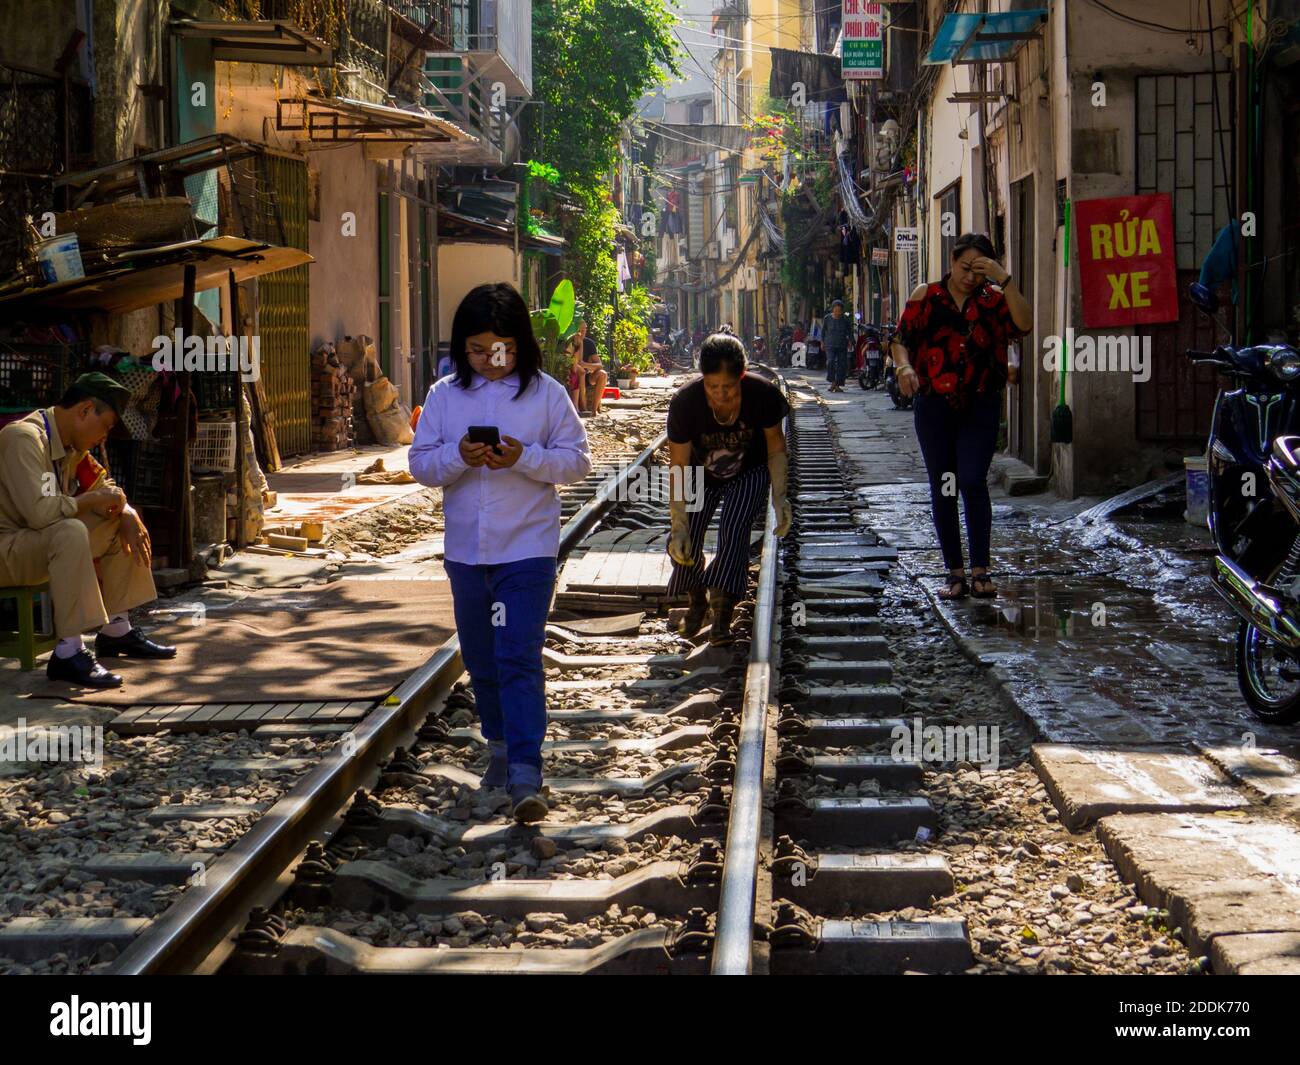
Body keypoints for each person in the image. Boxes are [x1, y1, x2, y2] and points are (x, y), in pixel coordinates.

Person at [410, 283, 592, 823]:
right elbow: (420, 466)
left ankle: (526, 770)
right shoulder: (444, 396)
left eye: (503, 351)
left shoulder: (546, 394)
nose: (491, 362)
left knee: (517, 656)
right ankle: (499, 747)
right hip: (467, 552)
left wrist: (525, 457)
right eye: (478, 350)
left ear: (521, 346)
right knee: (482, 660)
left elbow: (576, 461)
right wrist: (458, 456)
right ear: (461, 346)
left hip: (528, 549)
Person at [0, 373, 176, 688]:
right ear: (84, 411)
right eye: (106, 426)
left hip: (35, 544)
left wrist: (126, 512)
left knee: (117, 523)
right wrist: (92, 499)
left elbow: (106, 486)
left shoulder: (70, 445)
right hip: (7, 549)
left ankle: (116, 630)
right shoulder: (24, 438)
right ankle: (69, 651)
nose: (105, 437)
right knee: (69, 532)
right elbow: (40, 514)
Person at [892, 232, 1033, 600]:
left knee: (972, 480)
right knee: (945, 484)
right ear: (952, 262)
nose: (971, 276)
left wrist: (1005, 279)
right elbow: (900, 339)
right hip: (934, 406)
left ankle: (981, 570)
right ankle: (954, 573)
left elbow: (1025, 324)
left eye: (980, 270)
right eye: (965, 267)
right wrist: (904, 368)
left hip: (980, 404)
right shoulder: (927, 295)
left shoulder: (995, 300)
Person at [666, 333, 792, 645]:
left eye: (729, 387)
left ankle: (722, 615)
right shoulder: (685, 403)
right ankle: (696, 600)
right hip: (697, 473)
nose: (720, 395)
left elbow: (776, 446)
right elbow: (679, 464)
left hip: (748, 472)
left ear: (742, 376)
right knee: (684, 541)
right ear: (702, 379)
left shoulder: (762, 395)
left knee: (734, 531)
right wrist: (679, 525)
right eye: (712, 387)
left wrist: (779, 497)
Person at [573, 320, 608, 415]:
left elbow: (599, 365)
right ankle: (582, 407)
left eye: (585, 329)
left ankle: (593, 410)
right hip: (573, 375)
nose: (583, 332)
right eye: (581, 330)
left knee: (603, 374)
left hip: (586, 376)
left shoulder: (589, 343)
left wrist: (584, 364)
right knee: (580, 373)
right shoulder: (569, 342)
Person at [822, 299, 853, 391]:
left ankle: (837, 385)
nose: (837, 312)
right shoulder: (827, 318)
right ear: (833, 309)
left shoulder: (845, 319)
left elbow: (849, 331)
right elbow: (823, 331)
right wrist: (822, 342)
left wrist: (850, 341)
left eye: (839, 311)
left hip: (842, 344)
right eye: (836, 310)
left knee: (841, 364)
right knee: (830, 362)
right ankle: (832, 382)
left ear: (842, 311)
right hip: (830, 344)